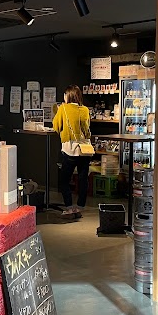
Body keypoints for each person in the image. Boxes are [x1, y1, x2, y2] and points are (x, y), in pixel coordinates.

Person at [52, 85, 91, 217]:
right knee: (83, 179)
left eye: (65, 94)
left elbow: (56, 127)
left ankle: (69, 208)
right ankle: (80, 207)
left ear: (68, 96)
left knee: (64, 180)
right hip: (84, 150)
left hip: (70, 150)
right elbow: (87, 131)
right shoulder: (85, 109)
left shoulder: (63, 108)